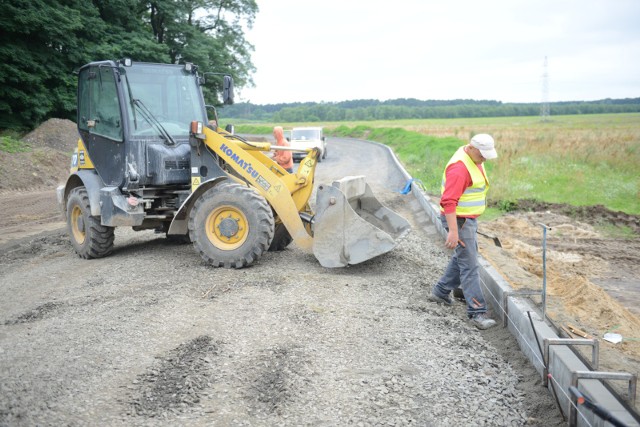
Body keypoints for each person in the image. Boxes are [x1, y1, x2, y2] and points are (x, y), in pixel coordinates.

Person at [428, 134, 498, 330]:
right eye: (483, 155)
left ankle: (440, 292)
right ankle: (477, 313)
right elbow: (448, 201)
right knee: (470, 265)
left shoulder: (472, 158)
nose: (485, 159)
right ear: (472, 148)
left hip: (467, 219)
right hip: (458, 221)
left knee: (463, 258)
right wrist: (453, 231)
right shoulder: (460, 169)